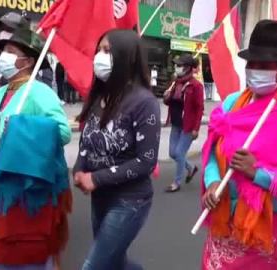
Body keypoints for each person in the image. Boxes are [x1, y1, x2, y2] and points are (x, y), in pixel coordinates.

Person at [201, 20, 277, 270]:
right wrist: (213, 182)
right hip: (227, 225)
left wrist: (257, 174)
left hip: (272, 230)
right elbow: (214, 151)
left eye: (265, 66)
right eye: (251, 64)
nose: (255, 71)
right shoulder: (231, 104)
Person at [0, 27, 71, 270]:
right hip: (4, 177)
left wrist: (22, 127)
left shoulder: (40, 92)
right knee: (8, 239)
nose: (3, 57)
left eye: (10, 51)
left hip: (32, 181)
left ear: (29, 61)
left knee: (31, 244)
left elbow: (63, 132)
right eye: (2, 52)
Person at [74, 29, 161, 270]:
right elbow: (87, 141)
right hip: (101, 196)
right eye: (99, 50)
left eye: (107, 51)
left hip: (130, 199)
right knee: (113, 260)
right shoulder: (101, 96)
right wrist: (80, 169)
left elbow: (146, 162)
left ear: (126, 58)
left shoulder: (144, 103)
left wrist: (96, 177)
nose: (99, 57)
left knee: (95, 265)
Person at [0, 12, 53, 142]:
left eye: (9, 29)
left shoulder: (39, 64)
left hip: (23, 142)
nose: (3, 33)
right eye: (1, 29)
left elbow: (42, 96)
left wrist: (4, 90)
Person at [163, 54, 204, 193]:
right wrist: (166, 98)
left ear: (187, 68)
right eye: (177, 65)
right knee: (172, 153)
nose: (177, 67)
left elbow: (199, 108)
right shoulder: (175, 82)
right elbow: (169, 102)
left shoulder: (196, 86)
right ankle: (191, 168)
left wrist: (196, 129)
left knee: (179, 153)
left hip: (188, 125)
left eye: (180, 65)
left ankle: (177, 182)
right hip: (175, 123)